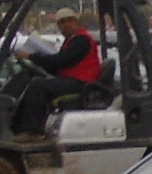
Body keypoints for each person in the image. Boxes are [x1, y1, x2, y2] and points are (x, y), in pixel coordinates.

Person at [11, 8, 101, 136]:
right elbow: (61, 65)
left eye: (66, 22)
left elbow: (61, 60)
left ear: (74, 22)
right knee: (37, 82)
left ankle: (31, 131)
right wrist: (39, 63)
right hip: (74, 81)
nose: (63, 27)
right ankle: (21, 127)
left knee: (38, 86)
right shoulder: (73, 40)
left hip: (81, 84)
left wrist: (32, 57)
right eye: (60, 24)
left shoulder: (81, 40)